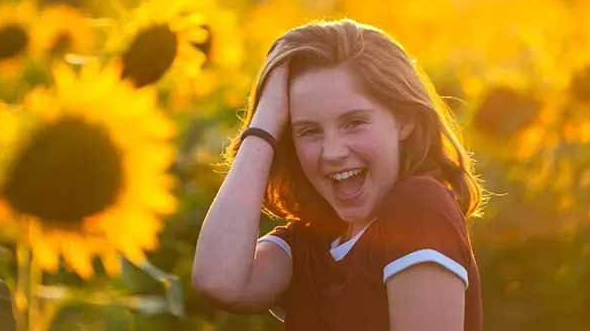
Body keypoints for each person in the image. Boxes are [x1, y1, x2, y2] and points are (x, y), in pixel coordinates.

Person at [192, 18, 485, 331]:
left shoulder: (419, 206)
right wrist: (264, 123)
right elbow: (218, 281)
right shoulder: (306, 244)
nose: (332, 152)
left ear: (405, 121)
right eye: (309, 131)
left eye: (354, 122)